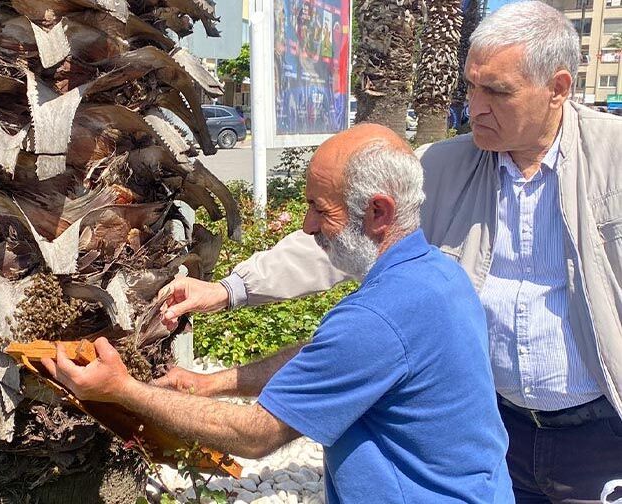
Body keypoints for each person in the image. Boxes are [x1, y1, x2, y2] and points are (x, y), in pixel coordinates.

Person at [160, 2, 622, 502]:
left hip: (600, 432)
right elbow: (344, 228)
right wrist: (230, 290)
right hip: (496, 426)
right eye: (470, 86)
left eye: (497, 91)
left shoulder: (613, 159)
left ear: (558, 88)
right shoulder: (445, 165)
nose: (474, 106)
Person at [45, 125, 514, 504]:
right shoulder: (439, 275)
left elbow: (254, 435)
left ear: (377, 212)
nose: (307, 226)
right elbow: (326, 357)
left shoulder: (376, 318)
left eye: (318, 208)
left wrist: (122, 390)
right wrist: (211, 383)